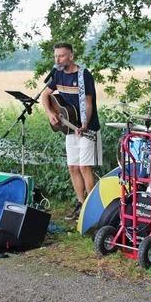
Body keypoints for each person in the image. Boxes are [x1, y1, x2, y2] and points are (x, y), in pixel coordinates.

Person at [41, 43, 102, 220]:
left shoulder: (84, 75)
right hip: (69, 127)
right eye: (55, 56)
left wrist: (84, 123)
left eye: (61, 56)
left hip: (86, 128)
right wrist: (50, 112)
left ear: (71, 56)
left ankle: (93, 207)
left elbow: (88, 103)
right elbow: (45, 95)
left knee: (84, 167)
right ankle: (81, 204)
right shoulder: (58, 74)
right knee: (73, 167)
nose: (57, 59)